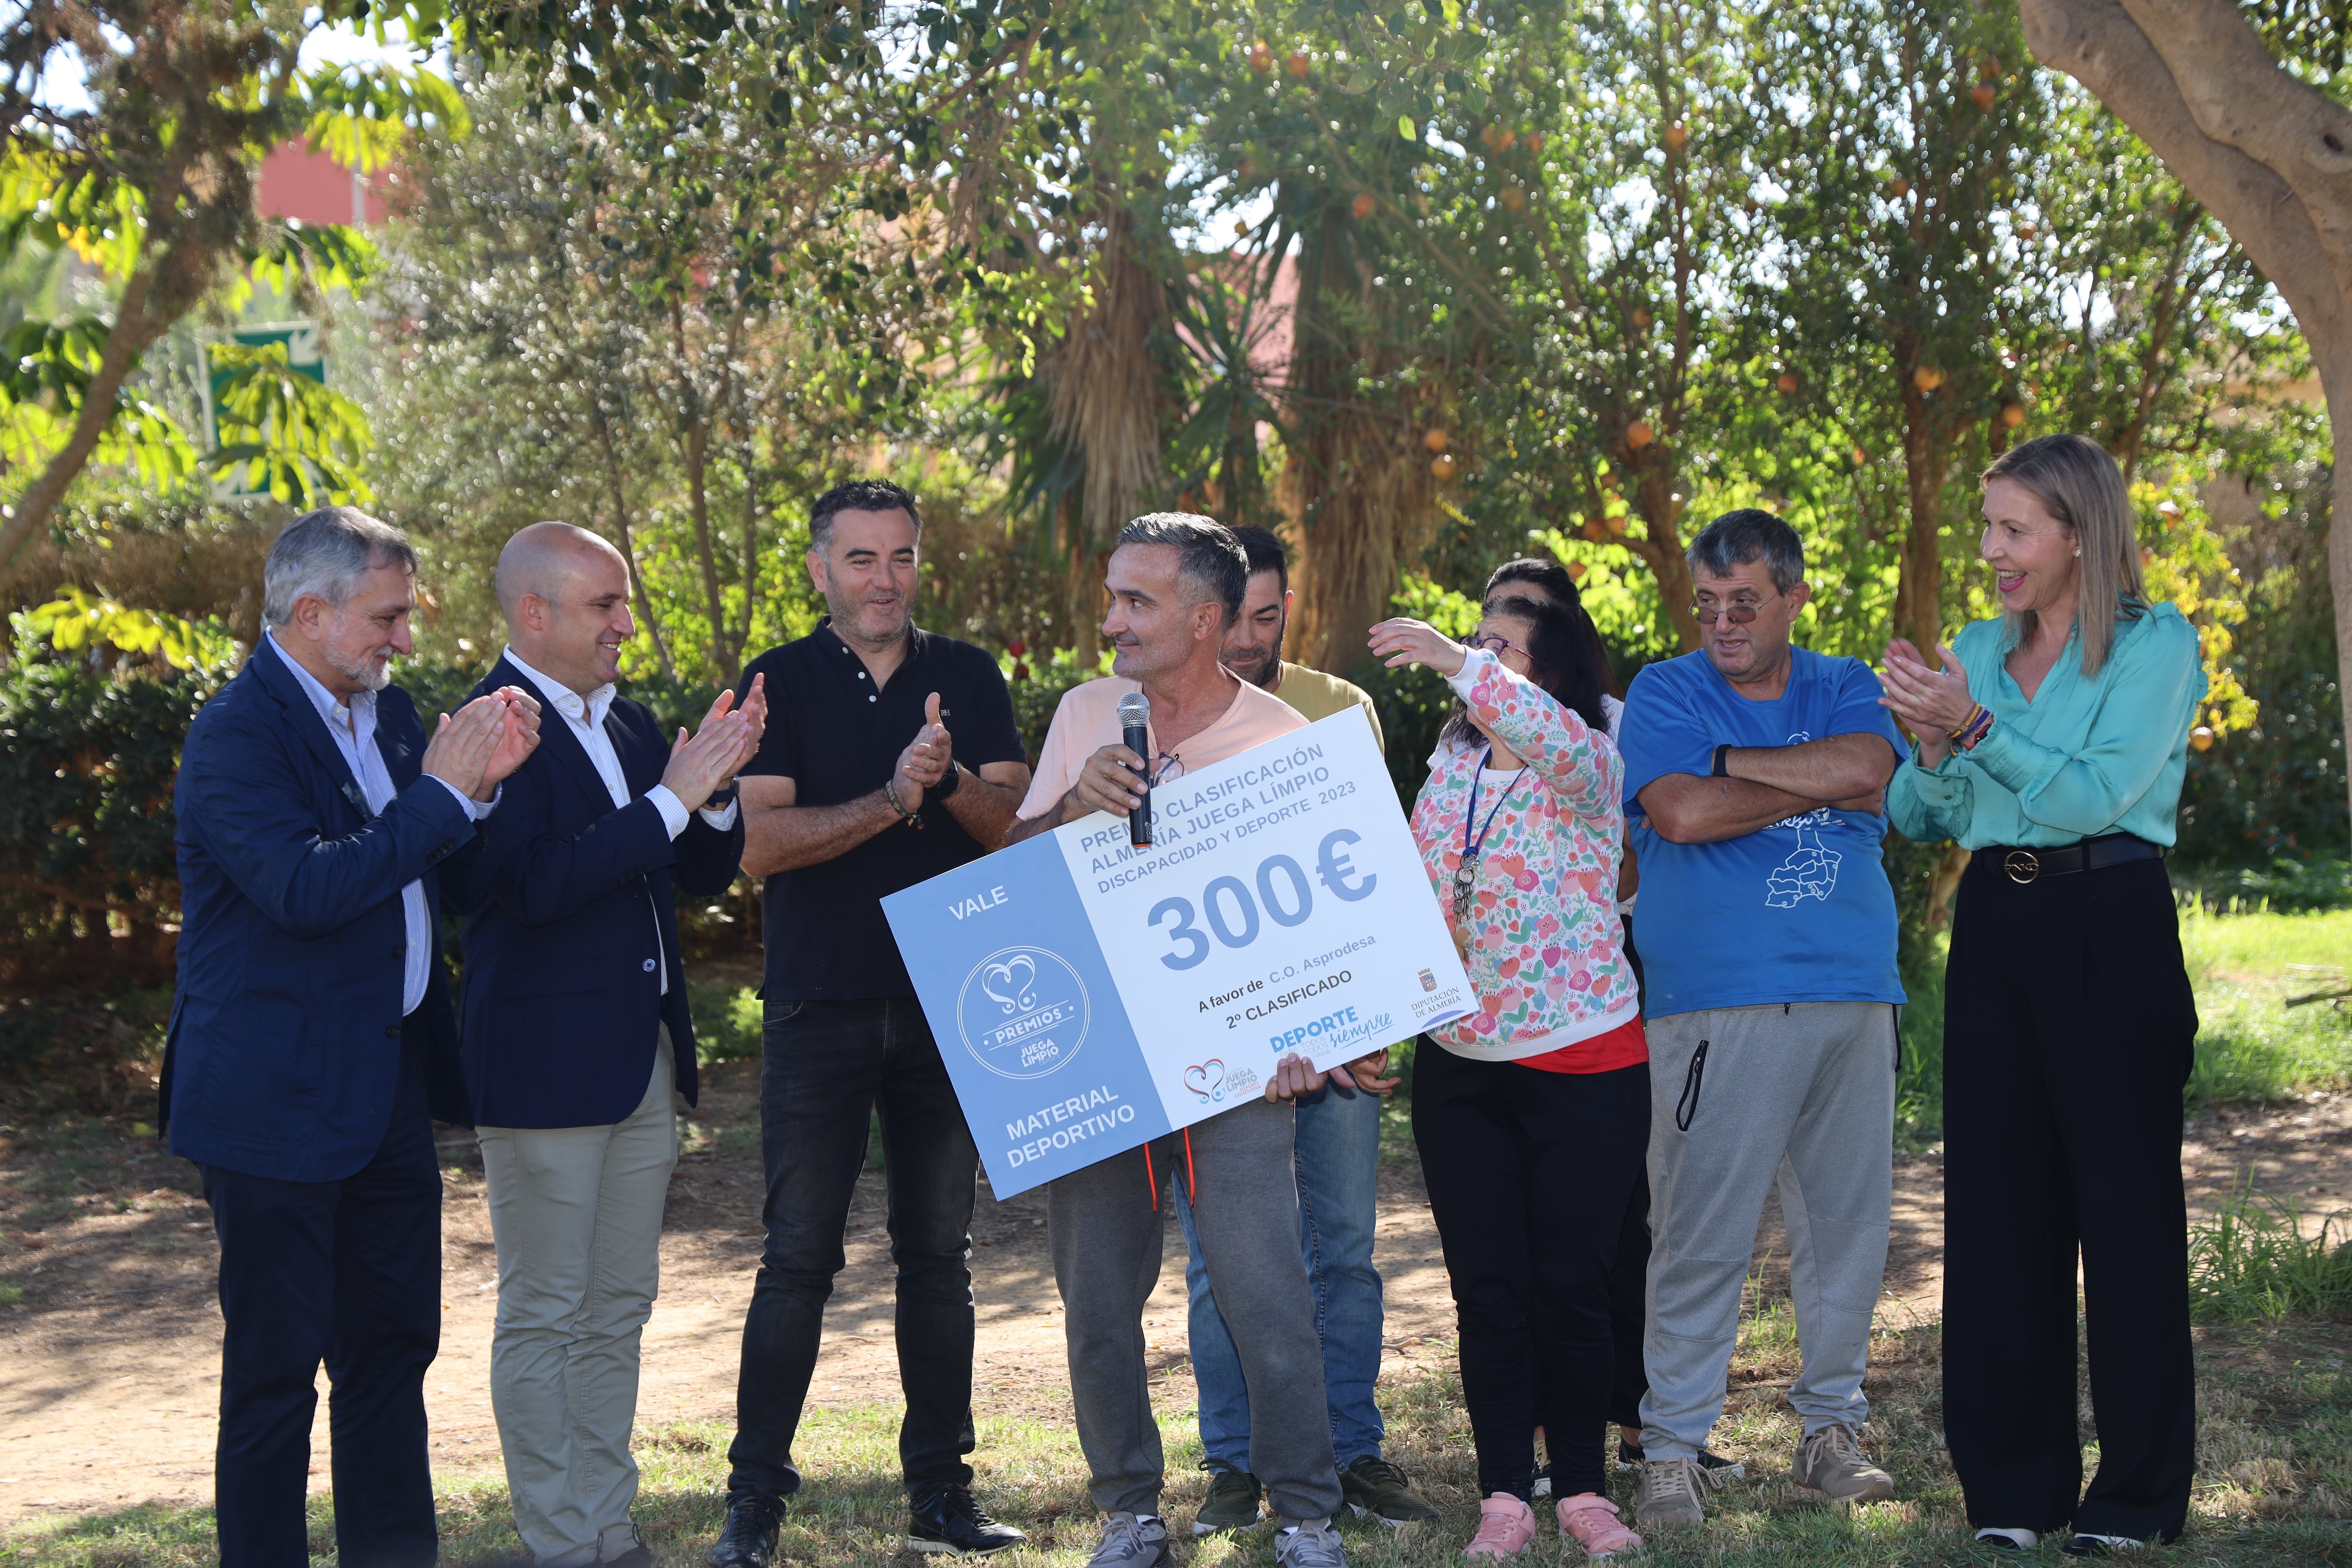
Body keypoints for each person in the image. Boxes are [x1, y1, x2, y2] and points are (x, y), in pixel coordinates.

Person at [1007, 513, 1388, 1568]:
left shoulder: (1282, 738)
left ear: (1206, 618)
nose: (1111, 618)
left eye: (1137, 600)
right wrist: (1072, 807)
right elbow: (1013, 878)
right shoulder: (1087, 712)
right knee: (1096, 1303)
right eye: (1112, 594)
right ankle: (1129, 1510)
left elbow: (1324, 929)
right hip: (1100, 1058)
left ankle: (1305, 1512)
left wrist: (1319, 1036)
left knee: (1267, 1296)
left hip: (1233, 1070)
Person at [163, 507, 539, 1568]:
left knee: (389, 1359)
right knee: (276, 1376)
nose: (405, 639)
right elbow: (306, 888)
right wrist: (439, 795)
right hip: (272, 1100)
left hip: (386, 1091)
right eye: (387, 616)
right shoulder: (237, 734)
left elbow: (443, 870)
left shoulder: (392, 710)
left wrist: (485, 789)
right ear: (311, 610)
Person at [1881, 435, 2204, 1557]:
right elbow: (1923, 818)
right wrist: (1926, 750)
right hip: (1998, 928)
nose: (1990, 551)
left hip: (2108, 921)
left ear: (2079, 531)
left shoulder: (2156, 648)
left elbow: (2092, 795)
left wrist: (1970, 729)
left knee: (2123, 1216)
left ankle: (2138, 1497)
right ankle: (2013, 1491)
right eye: (1986, 528)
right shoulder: (1975, 647)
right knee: (1996, 1212)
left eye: (2012, 529)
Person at [709, 480, 1033, 1568]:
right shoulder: (778, 681)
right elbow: (759, 845)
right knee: (797, 1256)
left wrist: (940, 787)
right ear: (820, 570)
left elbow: (1015, 833)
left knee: (938, 1256)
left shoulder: (970, 674)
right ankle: (753, 1504)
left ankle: (941, 1492)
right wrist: (892, 797)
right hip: (820, 1000)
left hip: (954, 999)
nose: (883, 578)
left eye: (899, 556)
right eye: (859, 558)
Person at [461, 523, 761, 1568]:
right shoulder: (489, 726)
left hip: (644, 1057)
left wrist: (712, 790)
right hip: (541, 1066)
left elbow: (692, 873)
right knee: (545, 1308)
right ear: (533, 613)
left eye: (625, 603)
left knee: (618, 1303)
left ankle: (610, 1527)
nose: (626, 625)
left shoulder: (627, 722)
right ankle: (558, 1541)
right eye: (604, 606)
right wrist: (673, 796)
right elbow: (534, 884)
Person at [1615, 509, 1907, 1530]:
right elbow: (1679, 814)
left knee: (1846, 1229)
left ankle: (1829, 1431)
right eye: (1707, 604)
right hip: (1715, 1005)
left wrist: (1730, 763)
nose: (1723, 623)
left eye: (1745, 602)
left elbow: (1868, 771)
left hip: (1855, 992)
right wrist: (1797, 775)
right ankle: (1673, 1449)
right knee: (1701, 1231)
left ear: (1792, 597)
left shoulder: (1844, 683)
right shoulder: (1664, 689)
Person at [1365, 594, 1649, 1560]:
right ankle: (1503, 1494)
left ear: (1554, 672)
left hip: (1585, 1056)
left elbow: (1543, 732)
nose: (1479, 661)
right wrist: (1375, 1020)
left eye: (1502, 649)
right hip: (1461, 1067)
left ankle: (1582, 1491)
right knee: (1487, 1291)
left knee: (1575, 1286)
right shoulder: (1449, 769)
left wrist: (1453, 657)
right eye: (1475, 643)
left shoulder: (1588, 756)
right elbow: (1406, 898)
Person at [1169, 525, 1438, 1534]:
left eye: (1268, 616)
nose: (1248, 637)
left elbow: (1368, 875)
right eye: (1231, 616)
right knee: (1218, 1259)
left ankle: (1351, 1451)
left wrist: (1371, 1023)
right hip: (1210, 1035)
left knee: (1343, 1249)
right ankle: (1234, 1463)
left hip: (1334, 1032)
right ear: (1199, 611)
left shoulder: (1340, 707)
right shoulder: (1148, 712)